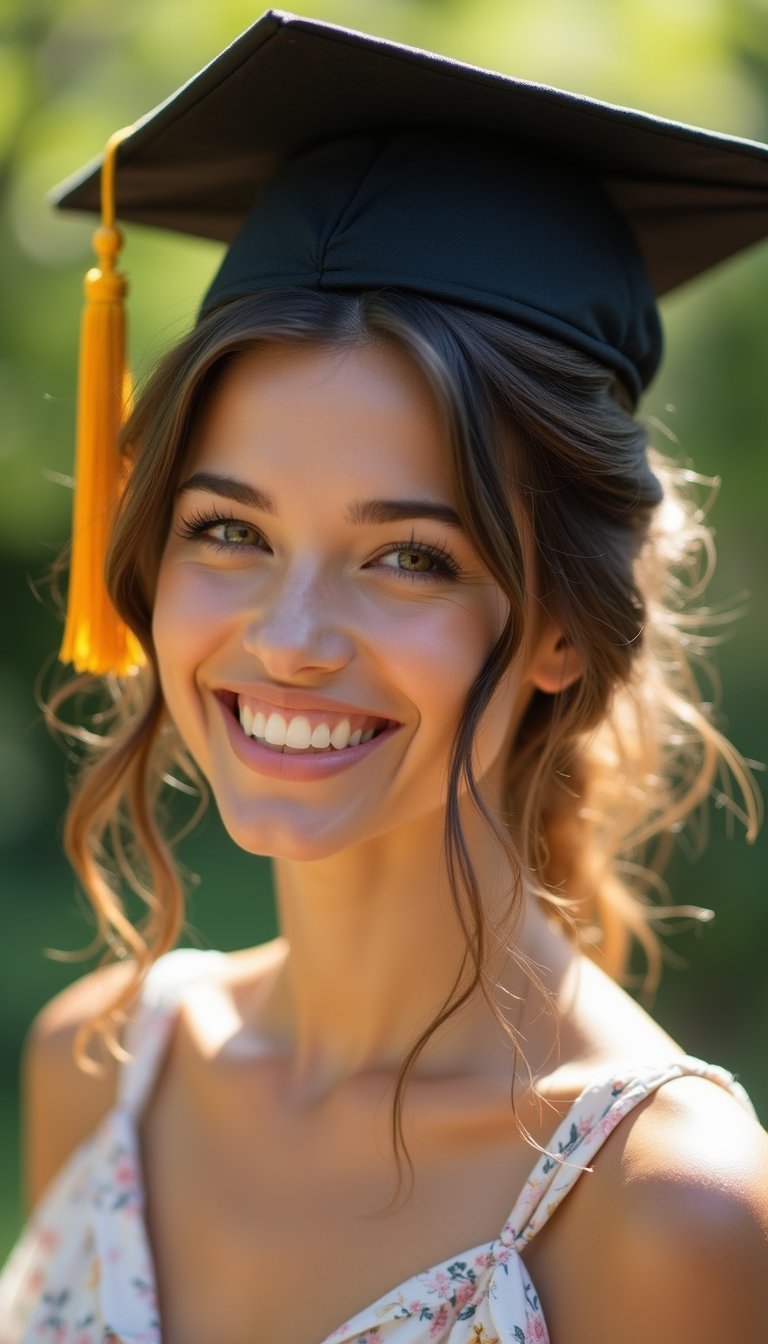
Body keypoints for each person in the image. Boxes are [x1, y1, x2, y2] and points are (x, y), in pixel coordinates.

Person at [2, 10, 768, 1343]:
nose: (291, 636)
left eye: (408, 557)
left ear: (562, 627)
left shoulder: (663, 1210)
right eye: (227, 531)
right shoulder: (102, 1068)